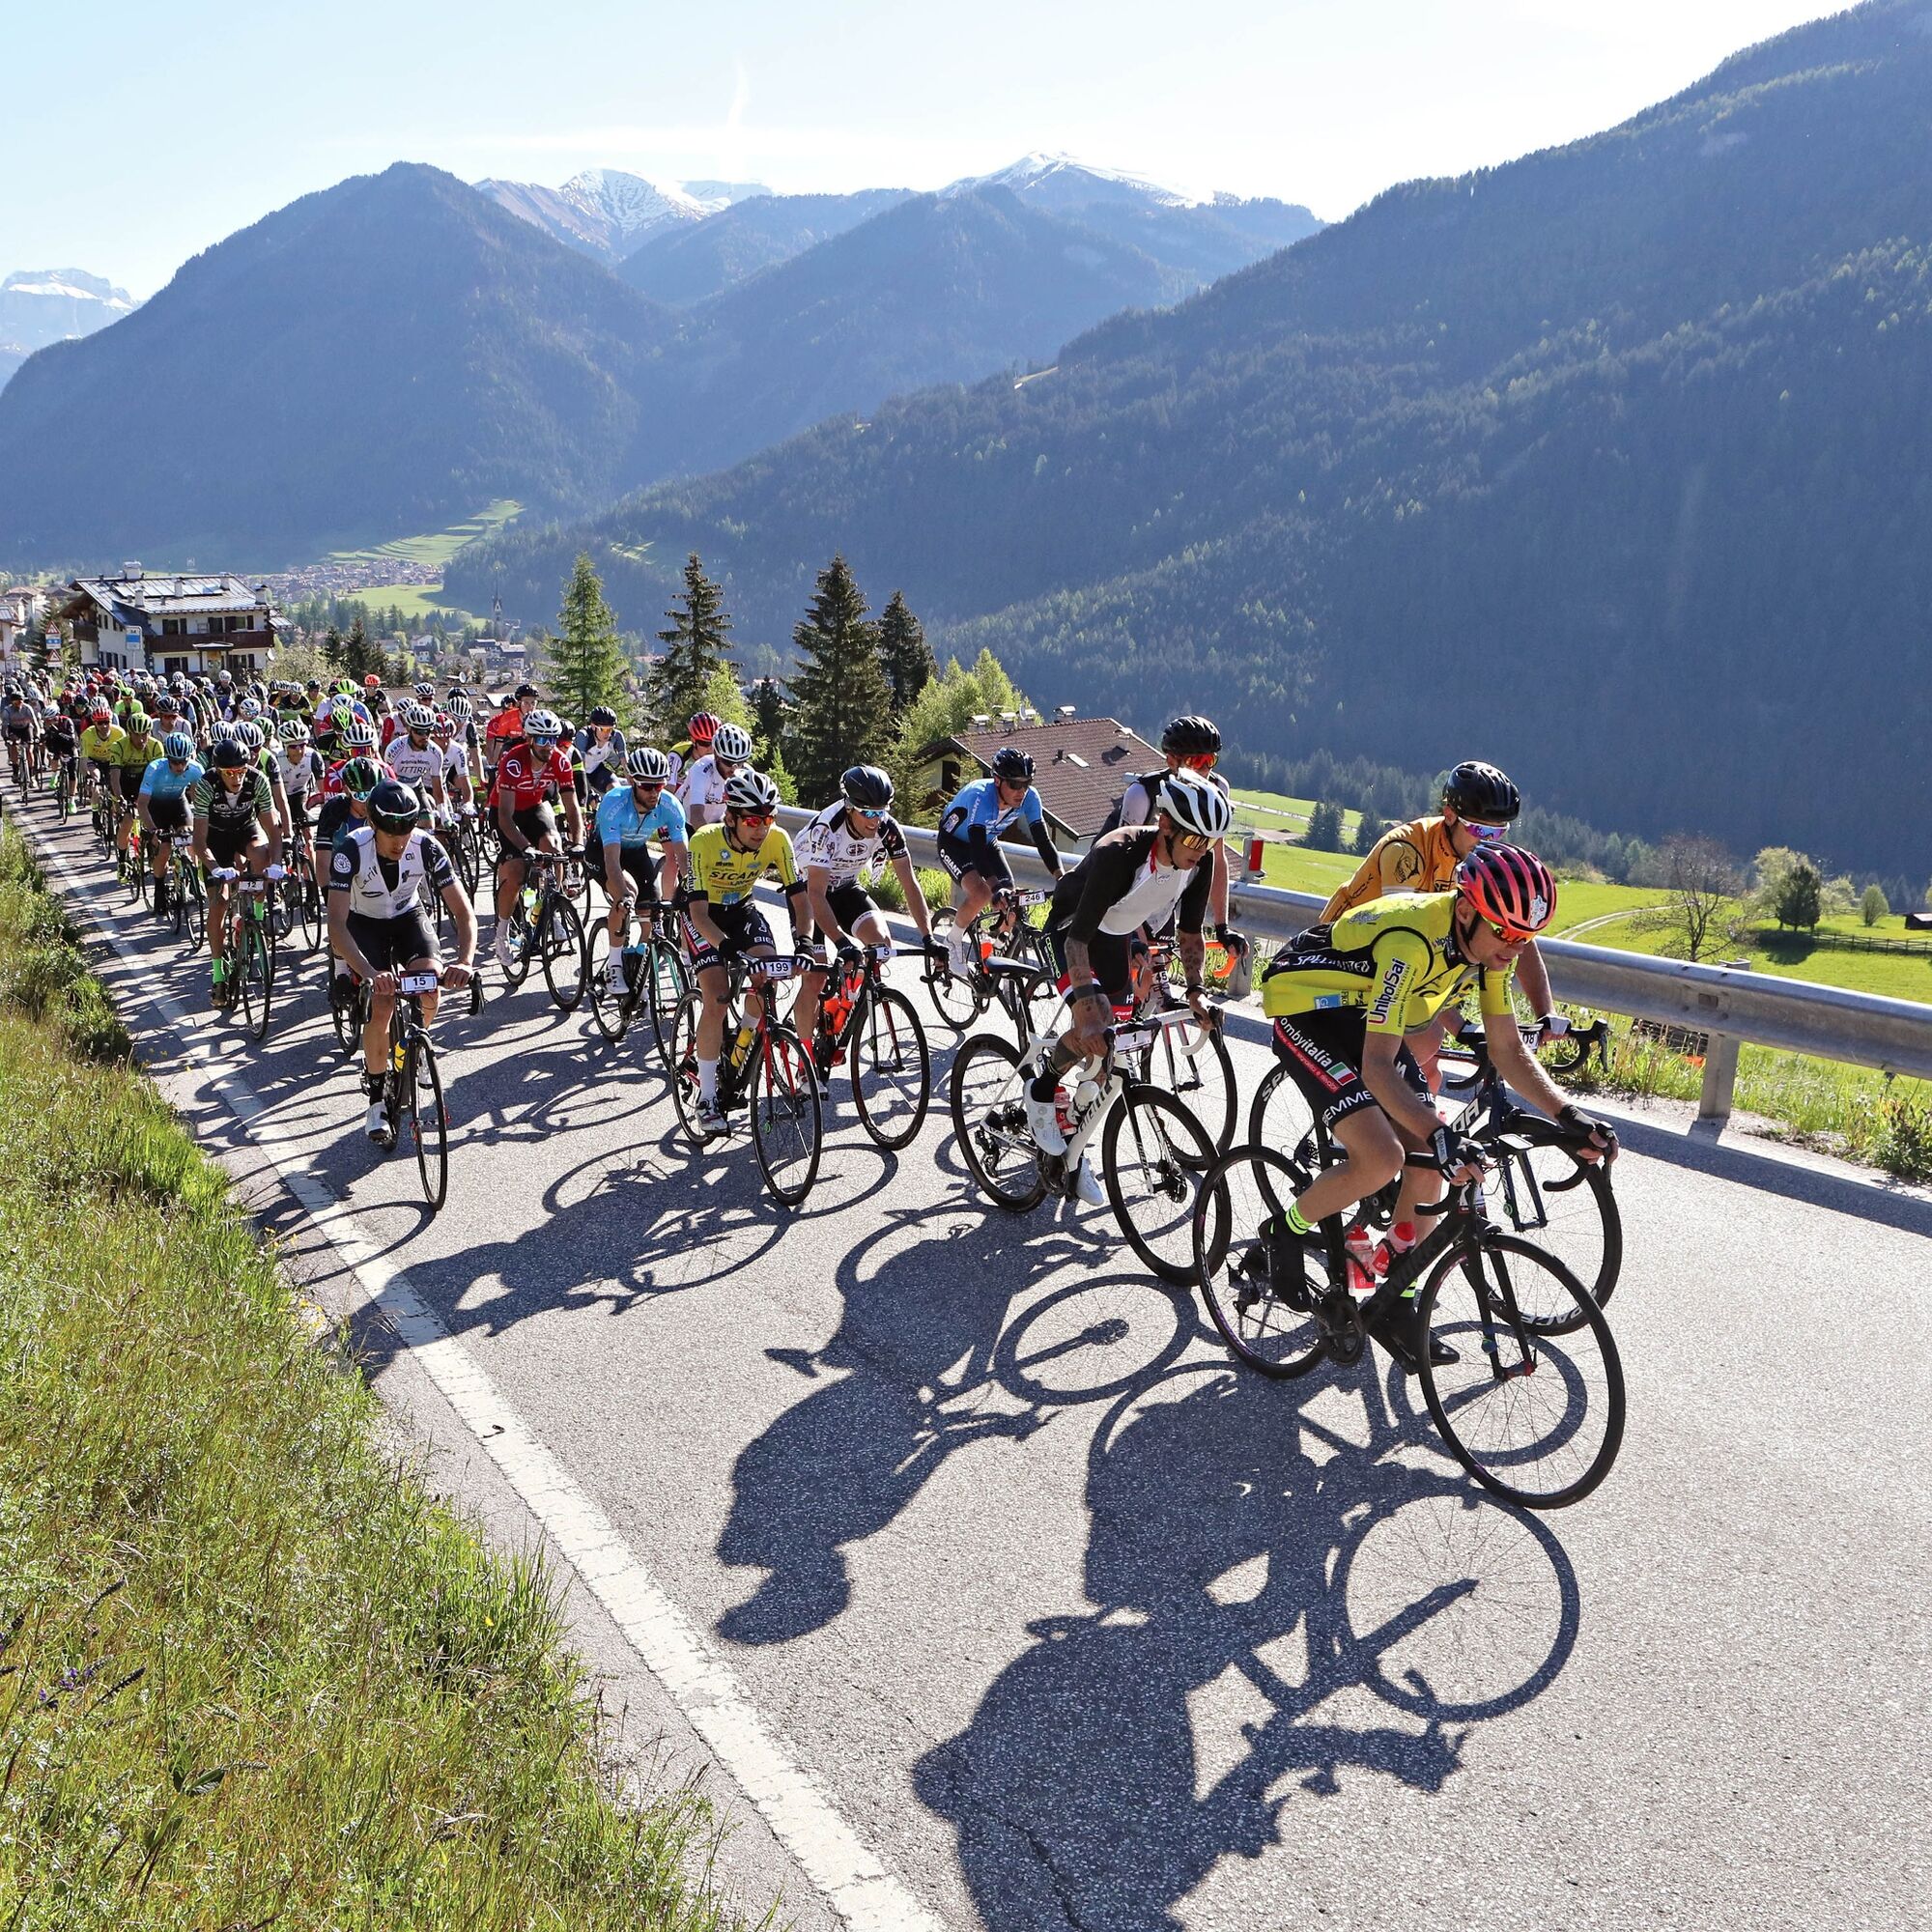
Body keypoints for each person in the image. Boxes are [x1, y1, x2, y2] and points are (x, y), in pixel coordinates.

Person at [1259, 843, 1616, 1367]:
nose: (1515, 948)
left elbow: (1507, 1048)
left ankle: (1398, 1303)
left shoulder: (1490, 949)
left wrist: (1569, 1115)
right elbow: (1377, 1067)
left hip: (1362, 1010)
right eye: (1506, 933)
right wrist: (1439, 1134)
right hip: (1307, 1008)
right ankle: (1284, 1230)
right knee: (1382, 1158)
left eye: (1526, 937)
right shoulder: (1412, 941)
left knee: (1429, 1163)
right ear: (1467, 910)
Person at [1024, 770, 1228, 1204]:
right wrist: (1086, 1014)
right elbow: (1077, 941)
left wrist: (1196, 991)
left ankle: (1073, 1144)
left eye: (1209, 843)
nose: (1201, 852)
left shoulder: (1200, 861)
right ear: (1166, 825)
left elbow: (1191, 933)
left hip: (1115, 935)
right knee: (1094, 1025)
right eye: (1195, 840)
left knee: (1110, 1054)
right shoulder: (1119, 853)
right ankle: (1042, 1089)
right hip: (1071, 931)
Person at [1319, 760, 1563, 1086]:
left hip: (1401, 962)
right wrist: (1459, 1025)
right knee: (1425, 1040)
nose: (1488, 842)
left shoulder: (1481, 864)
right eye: (1480, 831)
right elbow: (1401, 946)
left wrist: (1545, 1012)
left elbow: (1515, 932)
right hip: (1347, 957)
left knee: (1430, 1075)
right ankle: (1362, 1108)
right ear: (1449, 815)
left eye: (1498, 832)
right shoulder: (1405, 851)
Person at [327, 780, 476, 1145]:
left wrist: (465, 961)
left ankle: (411, 1046)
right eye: (391, 833)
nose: (399, 842)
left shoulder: (427, 846)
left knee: (430, 984)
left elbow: (463, 912)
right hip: (364, 923)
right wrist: (369, 973)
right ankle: (377, 1100)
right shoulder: (351, 849)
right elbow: (336, 925)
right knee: (383, 1003)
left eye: (406, 832)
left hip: (408, 917)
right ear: (372, 825)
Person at [680, 768, 803, 1139]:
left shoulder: (777, 840)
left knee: (767, 978)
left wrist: (806, 942)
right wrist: (727, 949)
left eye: (768, 818)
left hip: (742, 910)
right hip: (704, 915)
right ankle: (707, 1097)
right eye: (752, 820)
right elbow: (698, 915)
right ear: (731, 818)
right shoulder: (703, 841)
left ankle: (743, 1043)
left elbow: (799, 898)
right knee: (717, 996)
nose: (761, 828)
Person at [791, 764, 935, 1064]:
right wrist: (842, 942)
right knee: (815, 977)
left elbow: (909, 883)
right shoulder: (826, 830)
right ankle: (805, 1058)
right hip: (808, 892)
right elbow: (816, 894)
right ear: (848, 806)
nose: (875, 820)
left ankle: (838, 1006)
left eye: (881, 812)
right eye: (867, 812)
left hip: (845, 887)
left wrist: (928, 938)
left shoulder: (887, 828)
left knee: (881, 945)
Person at [1107, 714, 1242, 952]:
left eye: (1209, 760)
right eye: (1195, 761)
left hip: (1163, 896)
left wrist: (1222, 927)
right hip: (1121, 896)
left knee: (1161, 972)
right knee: (1124, 971)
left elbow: (1217, 860)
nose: (1204, 770)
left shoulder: (1218, 790)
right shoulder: (1142, 793)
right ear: (1171, 760)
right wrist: (1132, 932)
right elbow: (1119, 868)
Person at [937, 747, 1064, 974]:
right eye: (1014, 784)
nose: (1021, 791)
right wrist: (995, 888)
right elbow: (976, 849)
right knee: (982, 893)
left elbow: (1043, 841)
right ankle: (953, 939)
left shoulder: (1030, 798)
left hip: (987, 842)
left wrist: (1061, 877)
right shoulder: (980, 796)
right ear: (997, 780)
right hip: (955, 843)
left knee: (1012, 901)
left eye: (1026, 783)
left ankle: (996, 950)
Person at [591, 747, 691, 998]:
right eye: (647, 786)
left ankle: (637, 968)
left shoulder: (670, 805)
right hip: (603, 852)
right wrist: (623, 896)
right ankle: (615, 966)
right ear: (633, 782)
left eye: (659, 785)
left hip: (636, 852)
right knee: (628, 893)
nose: (654, 792)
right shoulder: (614, 803)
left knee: (652, 911)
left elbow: (683, 856)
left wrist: (692, 890)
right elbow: (612, 861)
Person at [489, 707, 583, 971]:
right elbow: (505, 817)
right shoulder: (513, 761)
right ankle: (501, 934)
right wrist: (525, 847)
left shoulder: (560, 761)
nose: (548, 745)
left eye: (552, 739)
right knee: (516, 873)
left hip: (534, 807)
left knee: (554, 847)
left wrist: (578, 842)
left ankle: (552, 905)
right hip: (505, 813)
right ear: (529, 739)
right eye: (542, 739)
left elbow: (572, 806)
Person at [136, 731, 206, 917]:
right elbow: (142, 804)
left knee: (192, 838)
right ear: (168, 758)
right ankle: (159, 888)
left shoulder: (196, 769)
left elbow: (199, 801)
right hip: (155, 806)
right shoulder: (154, 768)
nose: (180, 767)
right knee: (165, 848)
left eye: (183, 761)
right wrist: (152, 830)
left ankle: (192, 876)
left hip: (178, 803)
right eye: (175, 762)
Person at [675, 720, 751, 830]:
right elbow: (696, 816)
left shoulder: (747, 773)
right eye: (728, 762)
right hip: (683, 819)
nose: (734, 769)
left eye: (740, 763)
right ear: (716, 755)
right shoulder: (701, 769)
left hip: (716, 821)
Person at [575, 706, 628, 797]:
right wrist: (589, 793)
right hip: (577, 773)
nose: (607, 733)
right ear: (593, 726)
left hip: (596, 770)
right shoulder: (583, 736)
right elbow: (580, 767)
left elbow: (625, 763)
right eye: (603, 729)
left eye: (610, 729)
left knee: (615, 791)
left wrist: (633, 785)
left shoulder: (616, 736)